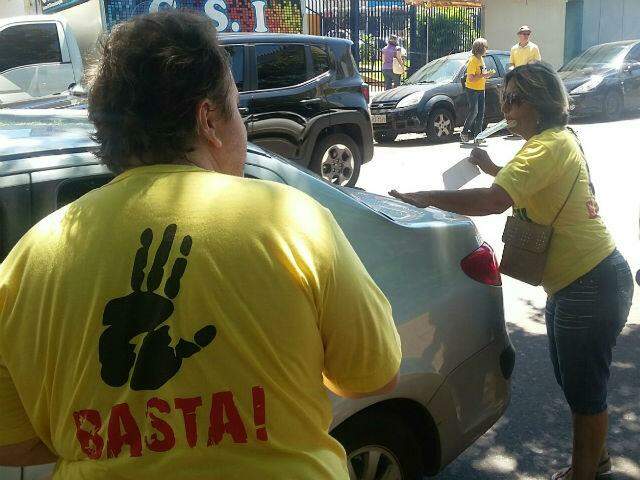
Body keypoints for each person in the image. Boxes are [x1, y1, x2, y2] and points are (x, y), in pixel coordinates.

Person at [0, 11, 401, 479]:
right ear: (208, 119)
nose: (244, 128)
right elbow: (373, 375)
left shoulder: (27, 262)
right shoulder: (293, 221)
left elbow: (13, 443)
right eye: (238, 108)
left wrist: (127, 435)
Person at [389, 62, 633, 480]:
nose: (505, 107)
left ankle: (584, 473)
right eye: (504, 97)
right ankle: (598, 459)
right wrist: (490, 168)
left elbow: (494, 202)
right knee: (576, 383)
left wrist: (420, 197)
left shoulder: (545, 146)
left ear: (539, 104)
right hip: (582, 282)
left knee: (584, 390)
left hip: (590, 283)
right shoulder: (554, 141)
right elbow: (523, 185)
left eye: (514, 99)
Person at [460, 38, 494, 143]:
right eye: (485, 47)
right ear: (480, 48)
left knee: (480, 113)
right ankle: (464, 132)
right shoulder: (473, 60)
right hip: (472, 89)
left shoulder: (481, 59)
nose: (486, 49)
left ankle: (478, 137)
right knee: (474, 111)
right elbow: (470, 78)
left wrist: (487, 75)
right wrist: (483, 75)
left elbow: (482, 74)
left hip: (480, 88)